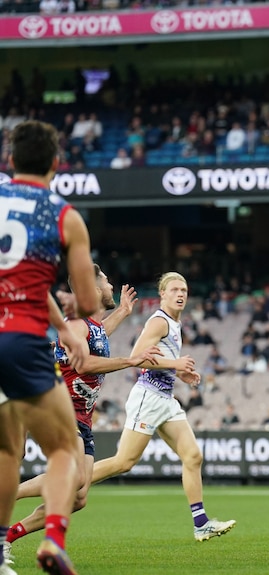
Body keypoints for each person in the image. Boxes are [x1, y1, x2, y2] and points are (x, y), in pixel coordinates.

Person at [4, 266, 161, 565]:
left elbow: (99, 337)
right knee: (73, 477)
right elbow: (85, 364)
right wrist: (130, 360)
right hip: (57, 407)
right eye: (105, 281)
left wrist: (124, 313)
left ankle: (9, 535)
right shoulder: (76, 323)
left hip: (82, 417)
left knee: (78, 497)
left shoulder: (91, 325)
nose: (111, 284)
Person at [0, 120, 99, 575]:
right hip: (21, 339)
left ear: (11, 161)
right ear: (56, 165)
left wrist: (60, 326)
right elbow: (88, 299)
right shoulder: (64, 214)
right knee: (62, 449)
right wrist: (68, 322)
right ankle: (54, 538)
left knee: (5, 451)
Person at [88, 272, 236, 542]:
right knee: (124, 462)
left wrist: (180, 374)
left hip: (165, 398)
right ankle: (69, 483)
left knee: (193, 456)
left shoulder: (175, 324)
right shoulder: (159, 321)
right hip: (148, 396)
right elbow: (136, 358)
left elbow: (161, 358)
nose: (181, 294)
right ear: (163, 295)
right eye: (175, 290)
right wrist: (176, 365)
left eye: (185, 290)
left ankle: (201, 523)